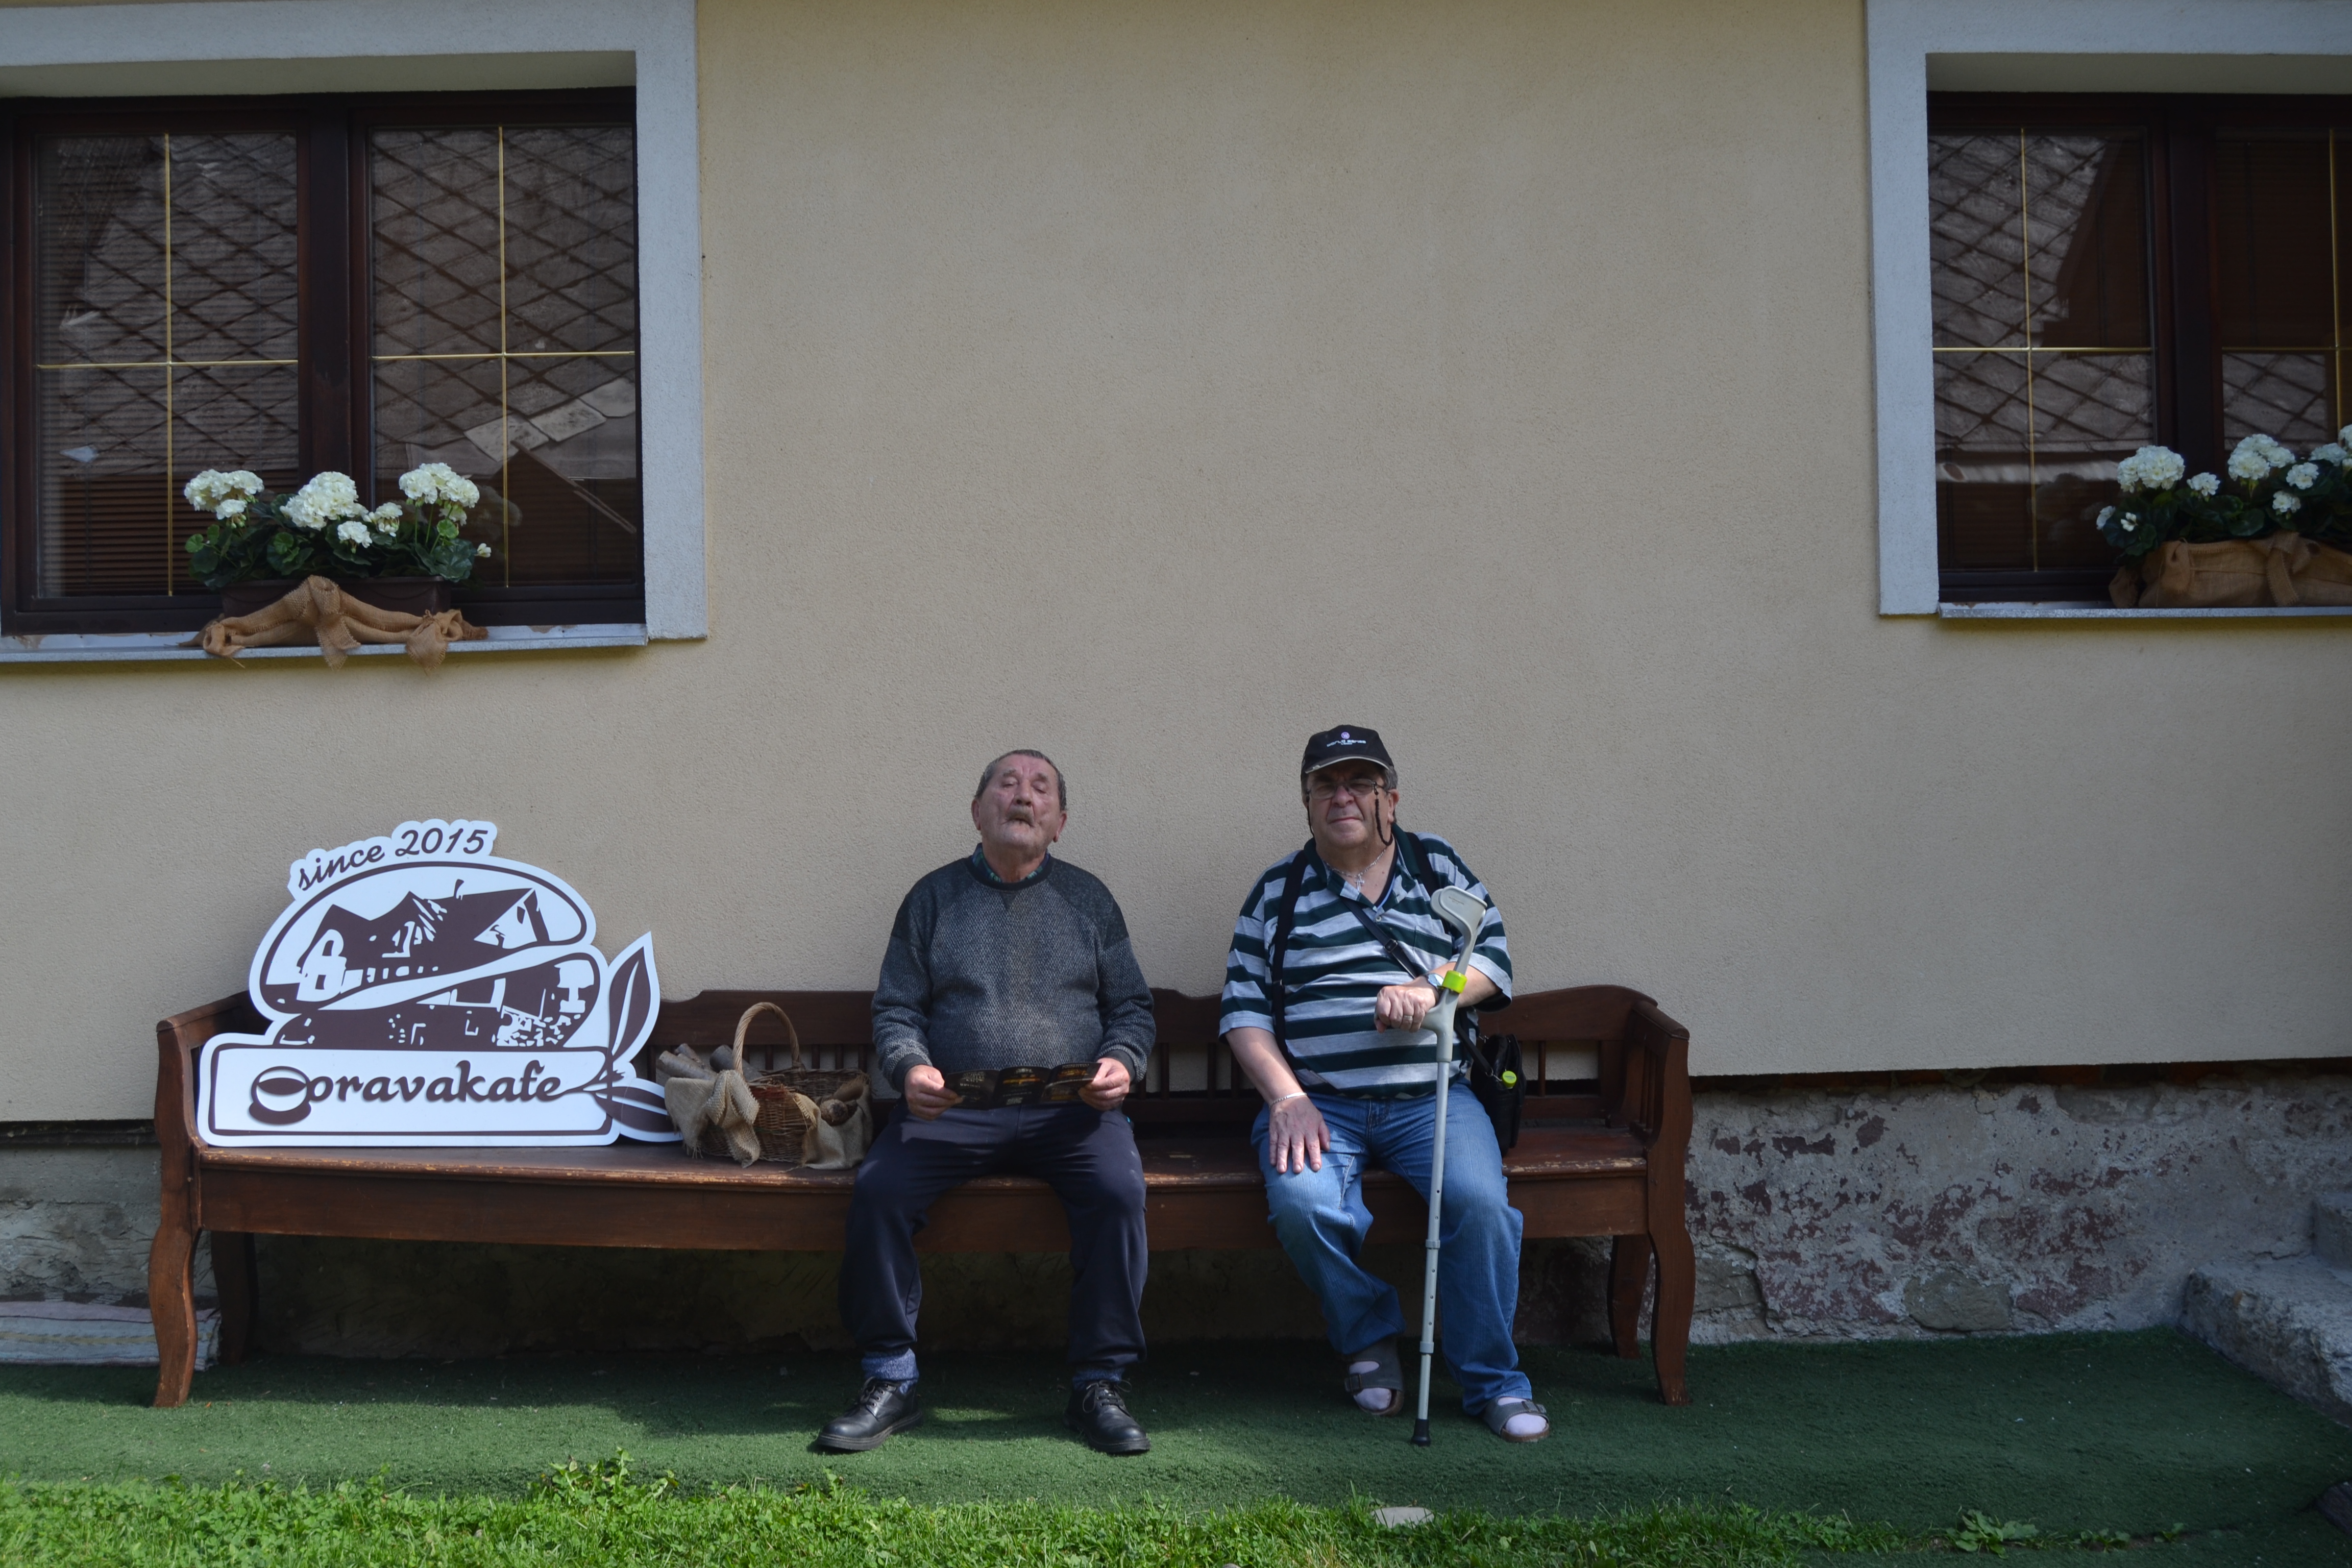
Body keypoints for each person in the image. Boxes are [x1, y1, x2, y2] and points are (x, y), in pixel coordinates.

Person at [819, 749, 1156, 1456]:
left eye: (1041, 789)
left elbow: (1131, 1008)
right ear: (977, 811)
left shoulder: (1090, 900)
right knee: (879, 1190)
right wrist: (911, 1069)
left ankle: (1099, 1384)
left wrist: (1121, 1063)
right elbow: (896, 1010)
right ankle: (890, 1378)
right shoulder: (932, 899)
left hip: (1072, 1109)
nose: (1023, 797)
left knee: (1120, 1191)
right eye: (1007, 784)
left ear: (1060, 822)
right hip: (955, 1109)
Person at [1218, 726, 1548, 1441]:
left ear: (1390, 800)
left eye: (1361, 784)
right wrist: (1287, 1098)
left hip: (1432, 1099)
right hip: (1319, 1101)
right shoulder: (1278, 891)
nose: (1343, 797)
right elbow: (1243, 1011)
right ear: (1307, 804)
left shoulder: (1436, 867)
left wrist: (1432, 989)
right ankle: (1368, 1339)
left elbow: (1492, 961)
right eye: (1326, 785)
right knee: (1304, 1206)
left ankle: (1493, 1382)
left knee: (1480, 1206)